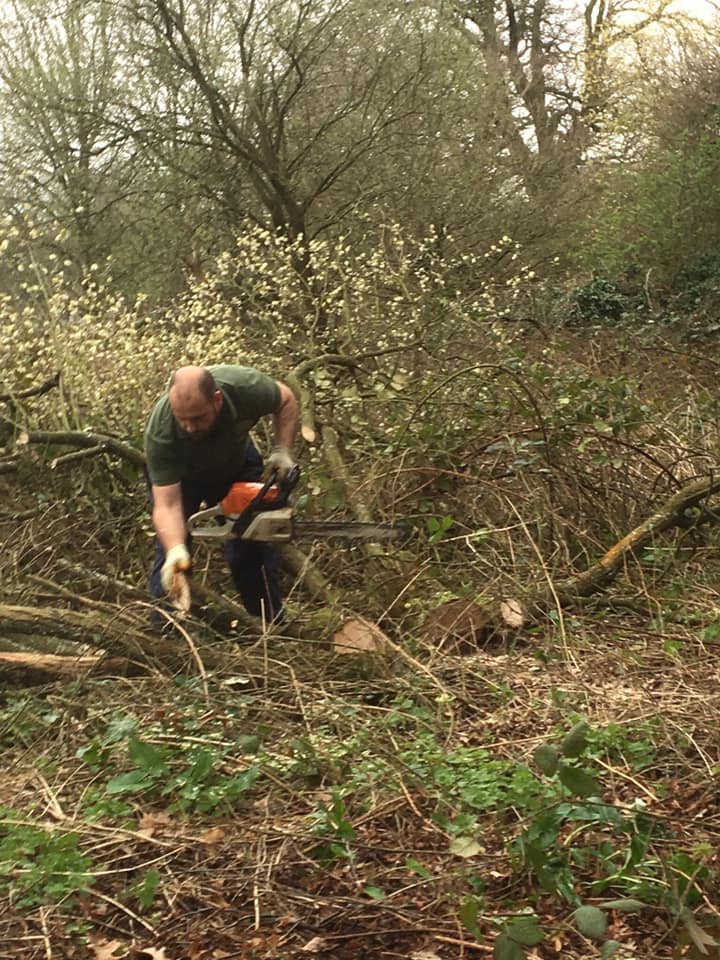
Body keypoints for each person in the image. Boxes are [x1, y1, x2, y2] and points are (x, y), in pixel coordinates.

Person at [144, 363, 299, 622]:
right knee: (171, 561)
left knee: (250, 546)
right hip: (183, 479)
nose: (189, 426)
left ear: (217, 400)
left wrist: (282, 450)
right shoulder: (161, 433)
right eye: (182, 419)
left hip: (235, 465)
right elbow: (166, 506)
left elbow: (286, 400)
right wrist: (176, 549)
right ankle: (166, 635)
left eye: (197, 418)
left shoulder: (245, 387)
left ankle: (269, 626)